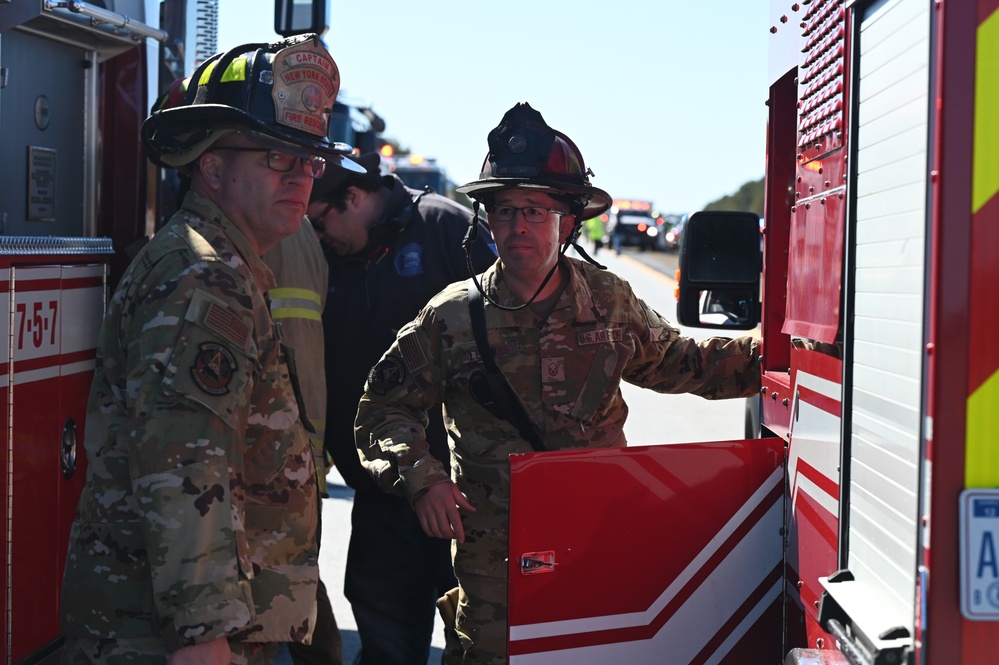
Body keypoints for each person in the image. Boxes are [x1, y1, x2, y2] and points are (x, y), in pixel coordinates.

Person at [353, 102, 763, 665]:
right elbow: (382, 411)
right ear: (488, 221)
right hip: (496, 560)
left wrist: (787, 354)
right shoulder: (451, 318)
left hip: (595, 542)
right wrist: (423, 480)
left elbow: (685, 363)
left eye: (535, 210)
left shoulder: (608, 302)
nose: (517, 225)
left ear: (568, 222)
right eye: (504, 210)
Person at [60, 34, 362, 664]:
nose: (302, 178)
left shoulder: (229, 265)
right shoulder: (202, 276)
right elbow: (184, 471)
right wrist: (203, 639)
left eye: (310, 162)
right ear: (212, 165)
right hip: (163, 635)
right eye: (279, 159)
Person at [306, 151, 496, 665]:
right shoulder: (325, 257)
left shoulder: (446, 229)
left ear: (354, 198)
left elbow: (508, 342)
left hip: (462, 497)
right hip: (381, 492)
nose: (317, 236)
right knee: (387, 643)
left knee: (476, 641)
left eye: (320, 221)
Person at [262, 221, 343, 665]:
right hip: (300, 440)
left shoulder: (262, 229)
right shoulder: (303, 233)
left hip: (274, 450)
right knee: (297, 576)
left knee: (288, 581)